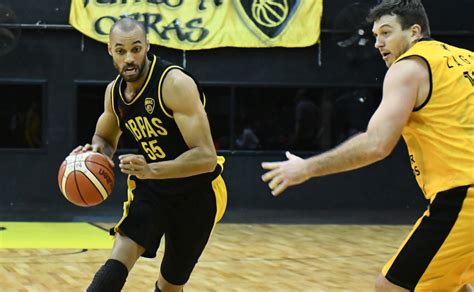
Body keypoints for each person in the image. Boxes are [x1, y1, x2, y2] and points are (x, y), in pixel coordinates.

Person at [261, 0, 473, 290]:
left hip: (464, 196)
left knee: (391, 286)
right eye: (375, 35)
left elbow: (376, 144)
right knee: (456, 284)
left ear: (414, 31)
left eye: (386, 33)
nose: (378, 43)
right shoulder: (468, 60)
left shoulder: (408, 68)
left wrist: (307, 168)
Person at [72, 18, 227, 292]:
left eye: (136, 49)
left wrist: (152, 169)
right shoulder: (114, 93)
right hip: (153, 190)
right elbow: (105, 138)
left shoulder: (174, 83)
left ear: (148, 47)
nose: (129, 58)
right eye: (121, 50)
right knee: (117, 260)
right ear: (110, 50)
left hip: (198, 193)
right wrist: (96, 153)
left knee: (170, 286)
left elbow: (206, 157)